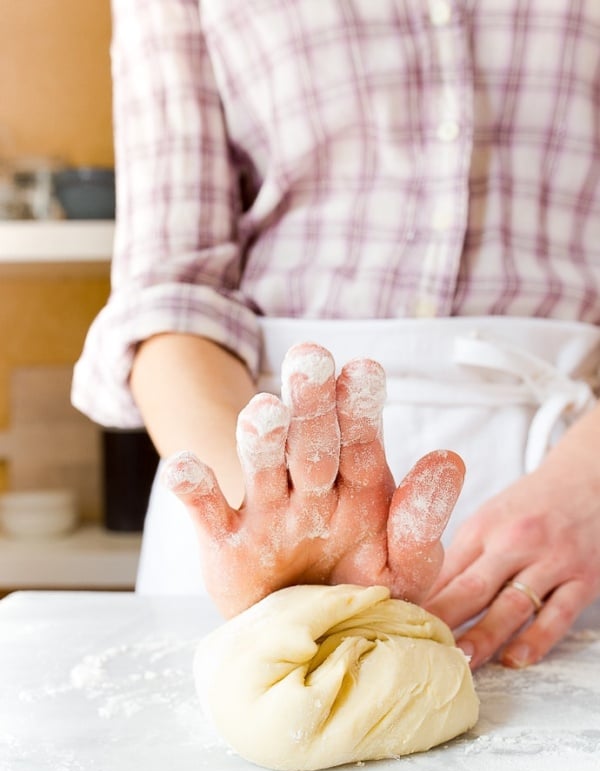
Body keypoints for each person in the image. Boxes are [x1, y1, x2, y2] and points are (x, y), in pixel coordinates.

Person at [72, 0, 600, 671]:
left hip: (569, 505)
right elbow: (168, 296)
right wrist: (261, 523)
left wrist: (589, 487)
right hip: (255, 462)